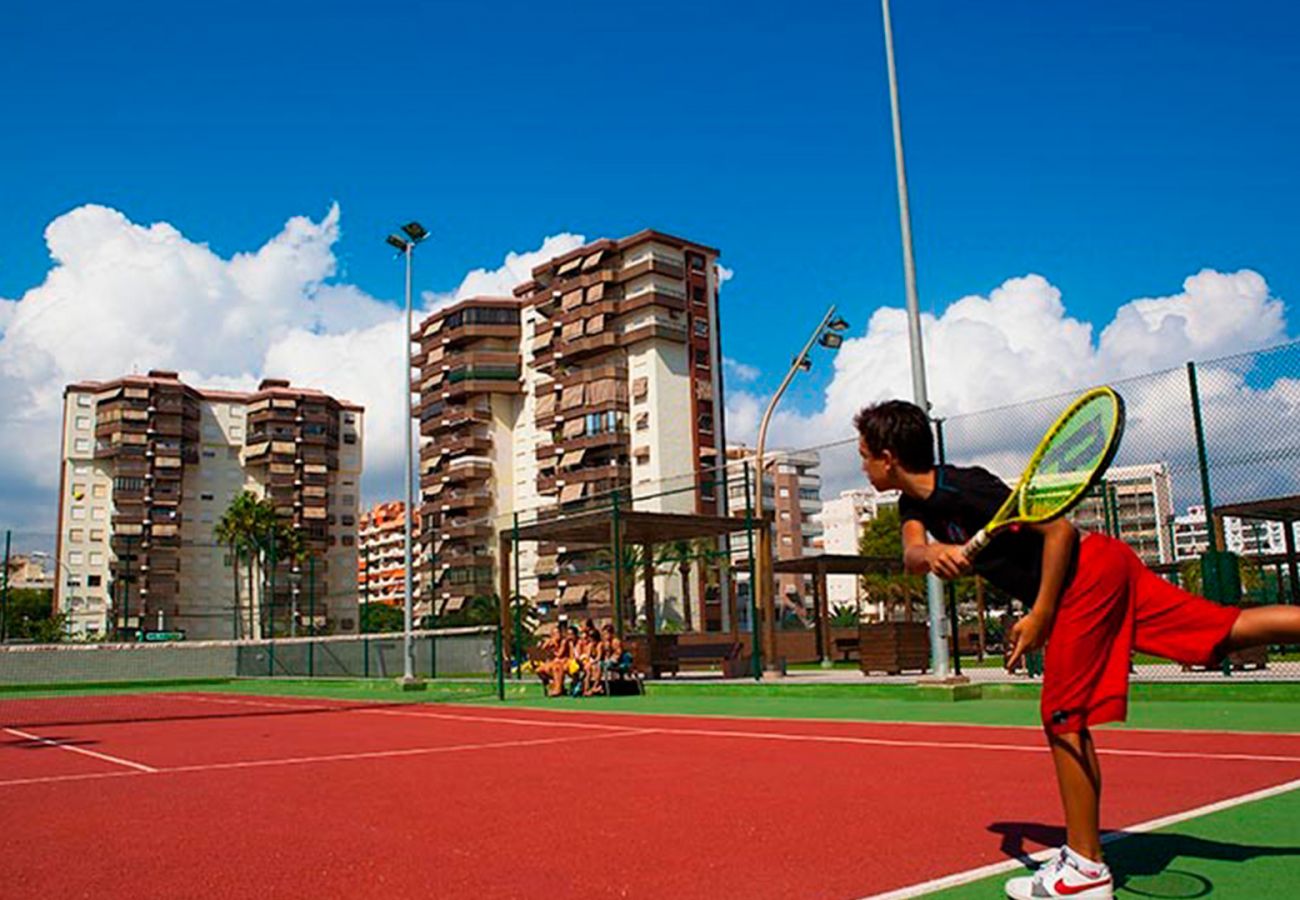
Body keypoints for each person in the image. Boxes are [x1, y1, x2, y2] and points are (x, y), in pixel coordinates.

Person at [853, 399, 1300, 900]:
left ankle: (1086, 870)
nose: (862, 463)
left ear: (889, 457)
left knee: (1062, 715)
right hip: (1100, 568)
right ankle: (1083, 863)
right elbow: (912, 552)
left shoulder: (968, 485)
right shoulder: (914, 503)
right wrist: (933, 552)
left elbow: (1059, 529)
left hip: (1085, 577)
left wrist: (1042, 614)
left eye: (865, 454)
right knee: (1222, 630)